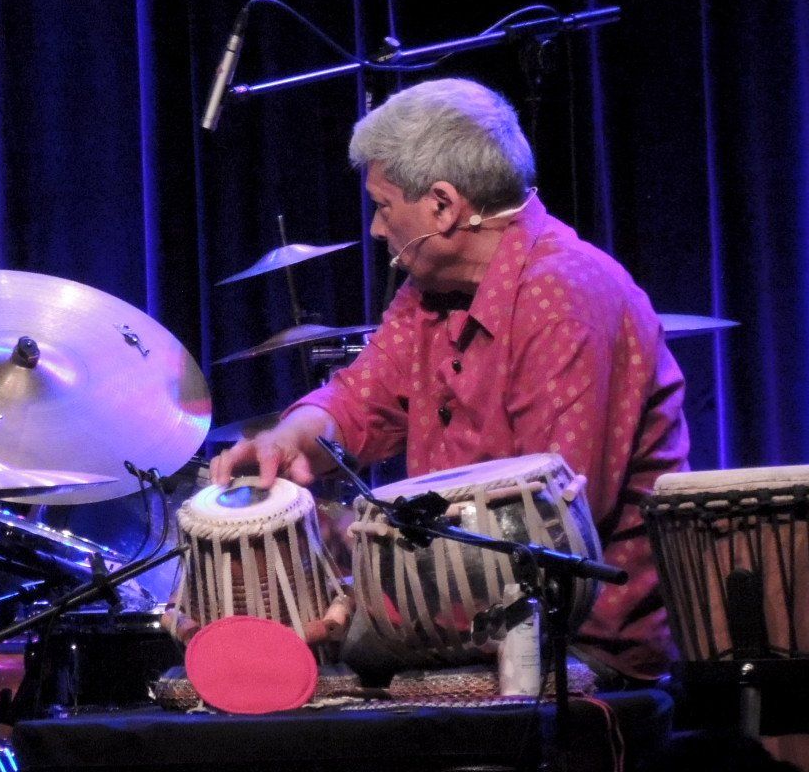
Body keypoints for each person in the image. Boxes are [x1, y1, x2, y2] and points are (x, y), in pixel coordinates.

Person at [210, 78, 690, 681]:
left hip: (574, 643)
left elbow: (547, 524)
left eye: (384, 206)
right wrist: (289, 440)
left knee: (308, 665)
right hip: (458, 615)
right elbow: (359, 399)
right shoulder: (429, 295)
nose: (377, 228)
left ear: (442, 205)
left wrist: (359, 552)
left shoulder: (563, 297)